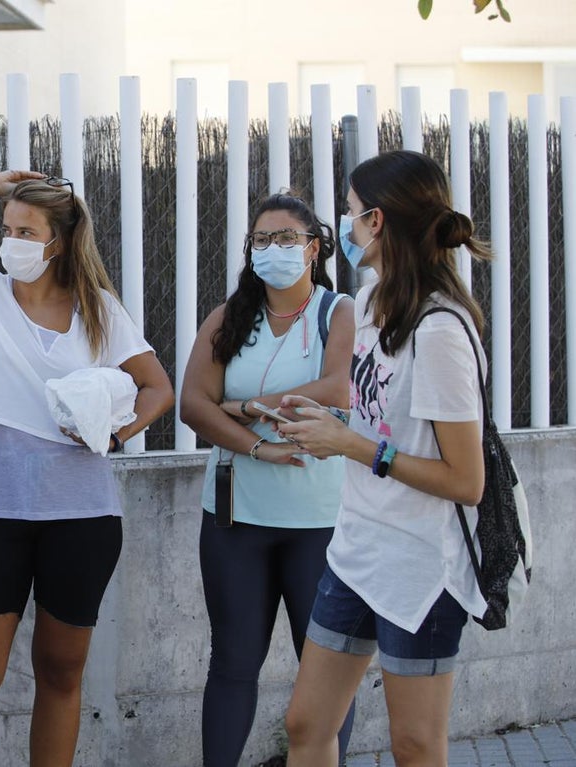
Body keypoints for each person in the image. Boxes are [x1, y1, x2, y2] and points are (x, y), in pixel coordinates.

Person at [0, 171, 174, 766]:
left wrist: (114, 433)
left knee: (60, 673)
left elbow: (158, 388)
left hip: (83, 517)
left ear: (60, 241)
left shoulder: (98, 310)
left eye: (27, 232)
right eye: (7, 229)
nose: (11, 242)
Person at [277, 150, 491, 767]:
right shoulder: (370, 302)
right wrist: (331, 425)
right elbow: (382, 421)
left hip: (421, 567)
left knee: (414, 745)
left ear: (377, 220)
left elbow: (466, 481)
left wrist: (353, 445)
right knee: (306, 724)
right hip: (358, 549)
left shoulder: (440, 330)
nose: (342, 225)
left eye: (349, 211)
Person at [179, 193, 356, 766]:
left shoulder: (338, 312)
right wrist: (260, 445)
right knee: (232, 664)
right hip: (236, 520)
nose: (272, 249)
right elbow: (193, 405)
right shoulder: (229, 317)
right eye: (261, 239)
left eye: (285, 239)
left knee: (324, 669)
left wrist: (245, 406)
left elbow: (337, 389)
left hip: (319, 524)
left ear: (313, 248)